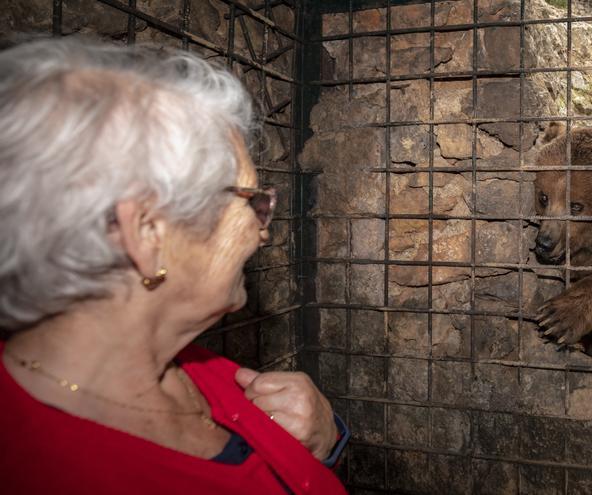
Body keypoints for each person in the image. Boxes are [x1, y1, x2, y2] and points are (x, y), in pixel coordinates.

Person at [0, 38, 348, 494]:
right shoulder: (54, 468)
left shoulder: (202, 372)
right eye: (250, 201)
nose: (262, 231)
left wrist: (325, 440)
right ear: (147, 234)